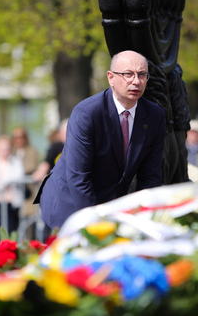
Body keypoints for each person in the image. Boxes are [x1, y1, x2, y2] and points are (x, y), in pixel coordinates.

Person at [39, 50, 166, 229]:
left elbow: (151, 176)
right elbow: (78, 177)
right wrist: (97, 226)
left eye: (142, 75)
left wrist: (142, 218)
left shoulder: (154, 116)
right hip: (69, 205)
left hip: (114, 205)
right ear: (111, 77)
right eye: (128, 74)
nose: (136, 81)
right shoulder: (87, 113)